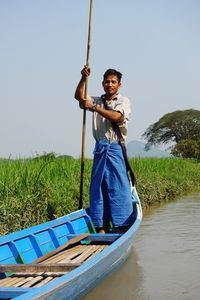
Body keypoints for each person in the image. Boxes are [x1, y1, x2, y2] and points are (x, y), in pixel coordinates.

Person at [74, 65, 133, 233]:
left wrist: (94, 108)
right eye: (107, 82)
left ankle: (122, 224)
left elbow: (116, 116)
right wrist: (83, 78)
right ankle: (101, 225)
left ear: (119, 85)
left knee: (118, 186)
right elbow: (79, 97)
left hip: (115, 148)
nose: (110, 84)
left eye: (113, 82)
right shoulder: (97, 100)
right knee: (99, 186)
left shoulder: (123, 101)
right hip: (100, 148)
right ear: (102, 84)